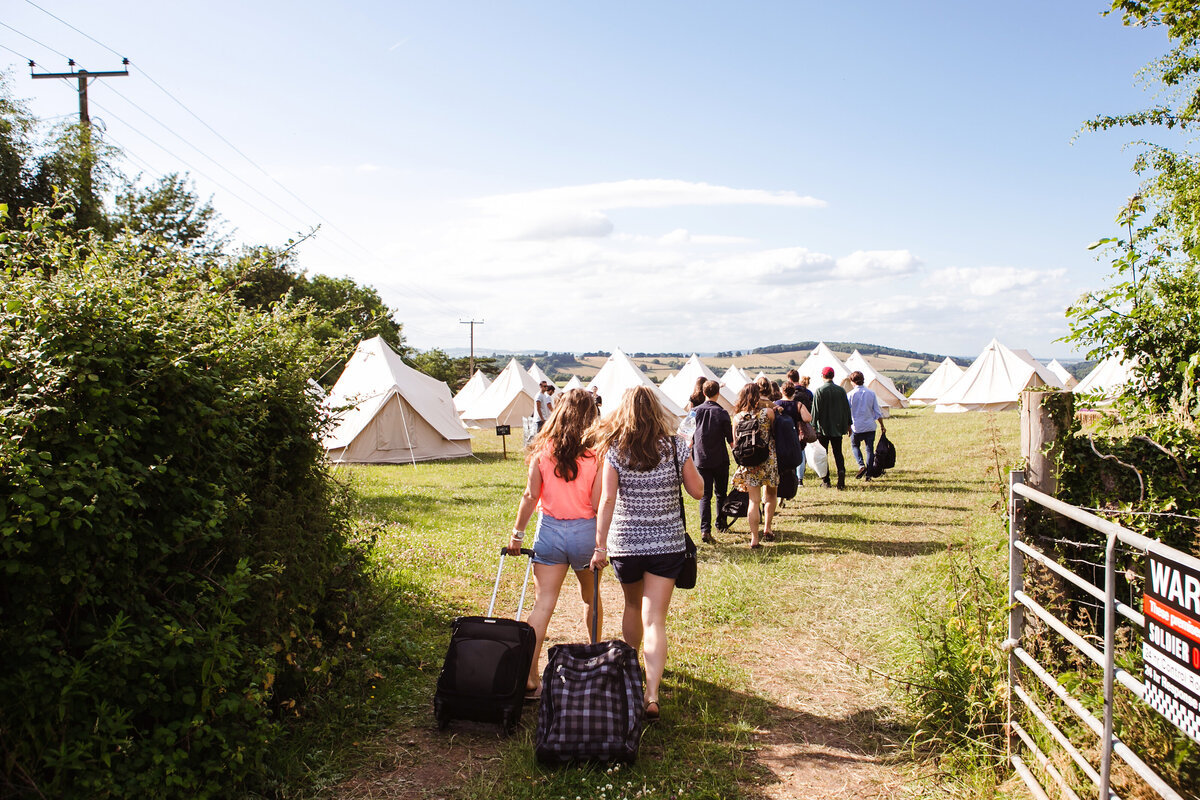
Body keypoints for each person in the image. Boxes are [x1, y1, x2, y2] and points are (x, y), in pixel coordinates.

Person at [589, 386, 703, 721]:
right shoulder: (675, 445)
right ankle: (651, 694)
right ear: (656, 411)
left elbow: (607, 500)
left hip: (626, 543)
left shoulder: (614, 449)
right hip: (667, 544)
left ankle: (630, 675)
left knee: (632, 606)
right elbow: (697, 492)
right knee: (655, 620)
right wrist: (689, 457)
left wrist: (599, 546)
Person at [507, 389, 604, 699]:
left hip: (548, 531)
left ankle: (529, 676)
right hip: (585, 532)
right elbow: (595, 502)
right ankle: (594, 664)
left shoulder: (542, 451)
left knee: (543, 604)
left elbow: (530, 496)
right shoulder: (596, 454)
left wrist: (517, 534)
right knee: (591, 599)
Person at [731, 382, 778, 548]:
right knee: (771, 494)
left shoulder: (737, 418)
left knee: (753, 500)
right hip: (768, 459)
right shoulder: (768, 413)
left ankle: (754, 538)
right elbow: (774, 433)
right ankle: (767, 528)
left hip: (750, 462)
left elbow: (735, 442)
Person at [691, 379, 733, 543]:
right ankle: (721, 523)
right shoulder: (722, 413)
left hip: (701, 458)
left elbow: (686, 433)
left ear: (703, 393)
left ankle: (705, 529)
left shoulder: (694, 411)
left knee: (705, 496)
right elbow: (730, 439)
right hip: (720, 458)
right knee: (720, 493)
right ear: (718, 393)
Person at [810, 366, 851, 490]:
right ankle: (841, 475)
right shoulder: (841, 391)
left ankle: (826, 480)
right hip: (837, 428)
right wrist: (849, 425)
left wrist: (811, 426)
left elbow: (815, 411)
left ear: (823, 376)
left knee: (823, 455)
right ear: (833, 376)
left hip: (823, 428)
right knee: (838, 453)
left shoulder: (819, 391)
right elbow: (846, 409)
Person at [847, 370, 886, 480]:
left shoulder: (849, 395)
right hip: (869, 425)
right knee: (869, 449)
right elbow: (877, 412)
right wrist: (882, 425)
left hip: (856, 426)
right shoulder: (871, 393)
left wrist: (848, 426)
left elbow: (847, 412)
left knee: (855, 446)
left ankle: (861, 465)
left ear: (852, 381)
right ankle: (868, 474)